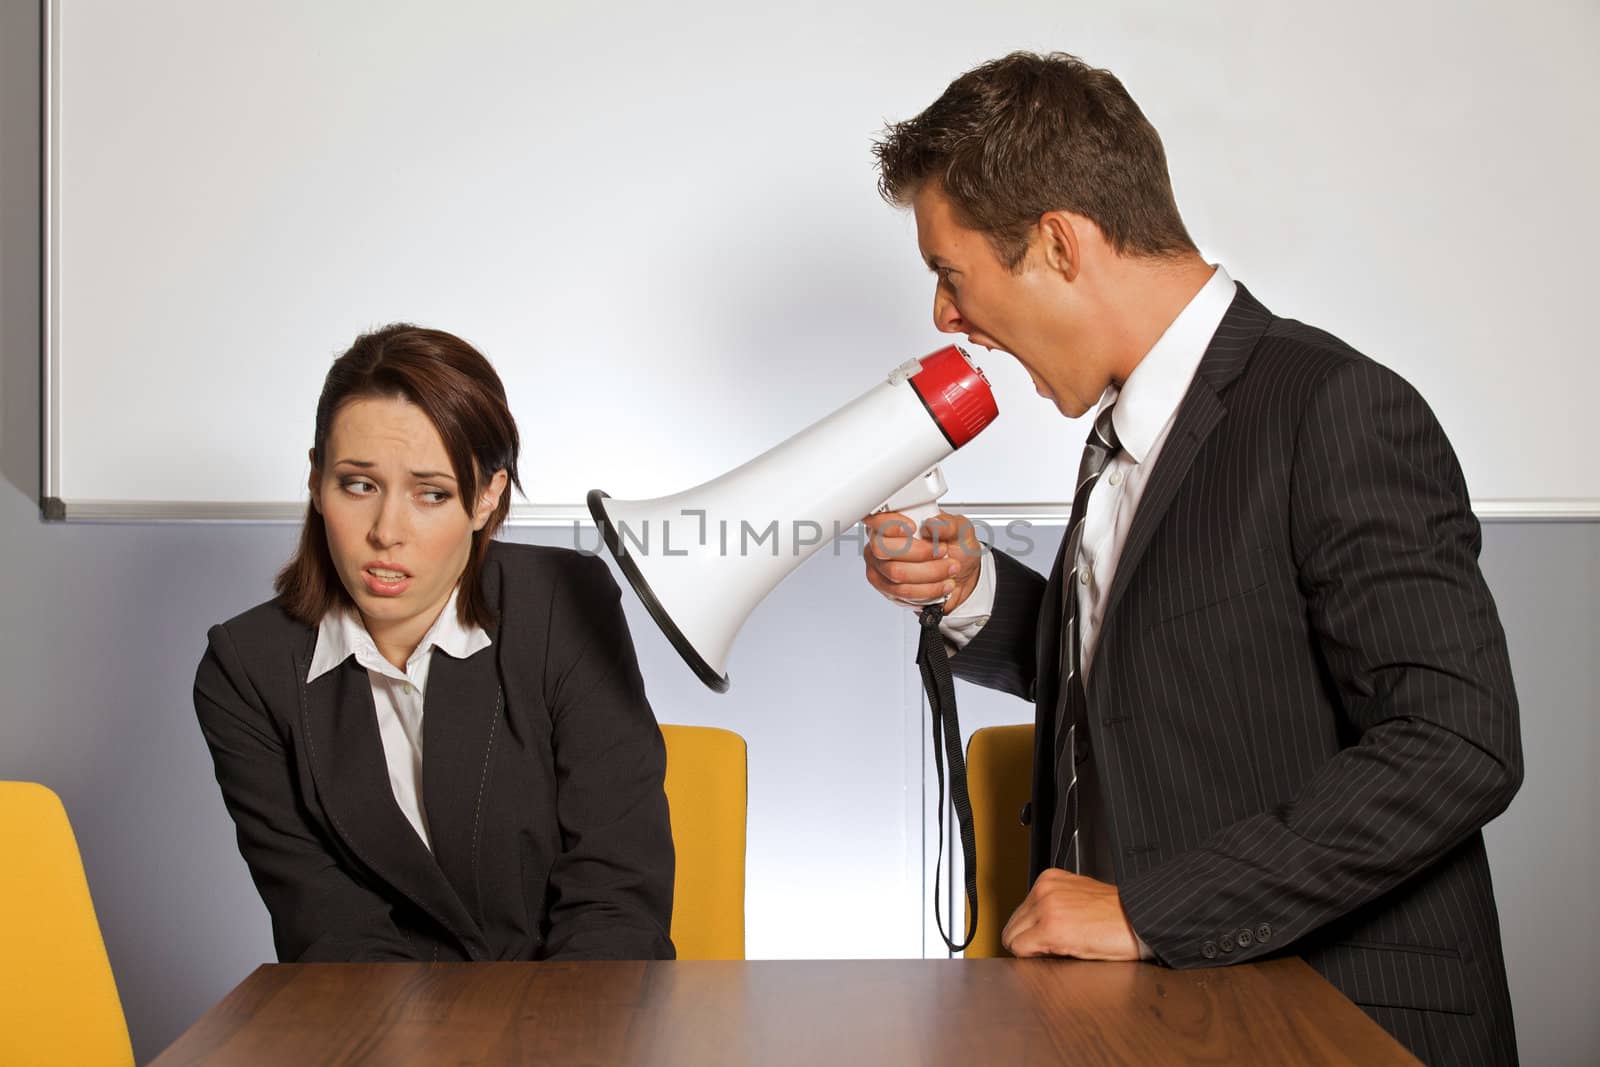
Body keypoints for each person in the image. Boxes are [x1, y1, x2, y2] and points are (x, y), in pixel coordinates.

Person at [862, 52, 1521, 1064]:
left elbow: (1454, 739)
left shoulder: (1332, 408)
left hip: (1337, 1021)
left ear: (1057, 244)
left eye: (951, 274)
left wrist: (1151, 912)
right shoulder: (1123, 433)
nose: (947, 317)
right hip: (1154, 1025)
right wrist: (972, 588)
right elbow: (1164, 673)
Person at [194, 324, 674, 962]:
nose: (386, 532)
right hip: (379, 1037)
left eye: (432, 493)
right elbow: (329, 931)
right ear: (316, 482)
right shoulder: (246, 669)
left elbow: (615, 899)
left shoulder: (564, 604)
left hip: (579, 1027)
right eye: (359, 485)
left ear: (486, 498)